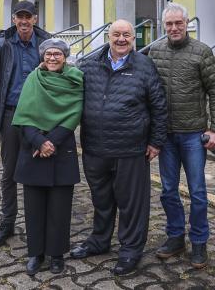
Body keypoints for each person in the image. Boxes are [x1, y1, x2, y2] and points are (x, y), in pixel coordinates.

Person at [69, 19, 168, 276]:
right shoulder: (89, 65)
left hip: (130, 149)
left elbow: (159, 105)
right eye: (117, 34)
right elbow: (68, 94)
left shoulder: (144, 66)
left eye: (127, 35)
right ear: (108, 36)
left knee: (131, 204)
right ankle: (99, 241)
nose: (121, 39)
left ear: (133, 39)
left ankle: (130, 250)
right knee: (101, 200)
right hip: (95, 148)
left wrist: (156, 141)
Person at [147, 3, 215, 268]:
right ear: (163, 26)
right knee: (168, 190)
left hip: (193, 134)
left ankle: (199, 242)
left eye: (179, 23)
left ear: (187, 24)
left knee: (198, 191)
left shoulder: (201, 52)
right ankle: (176, 237)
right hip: (165, 135)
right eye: (169, 24)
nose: (174, 28)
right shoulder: (154, 51)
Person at [11, 38, 83, 276]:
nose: (52, 58)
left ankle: (56, 254)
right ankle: (36, 253)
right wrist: (40, 141)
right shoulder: (33, 78)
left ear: (65, 57)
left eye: (57, 54)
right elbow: (23, 115)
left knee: (60, 208)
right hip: (34, 147)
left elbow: (75, 111)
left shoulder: (75, 79)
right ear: (42, 57)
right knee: (34, 206)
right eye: (48, 54)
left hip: (62, 147)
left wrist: (53, 140)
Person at [0, 0, 52, 248]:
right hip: (11, 114)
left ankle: (42, 222)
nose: (24, 21)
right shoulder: (2, 44)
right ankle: (7, 222)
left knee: (40, 168)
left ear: (35, 18)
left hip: (40, 115)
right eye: (19, 16)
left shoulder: (46, 42)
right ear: (14, 19)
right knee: (10, 171)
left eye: (29, 16)